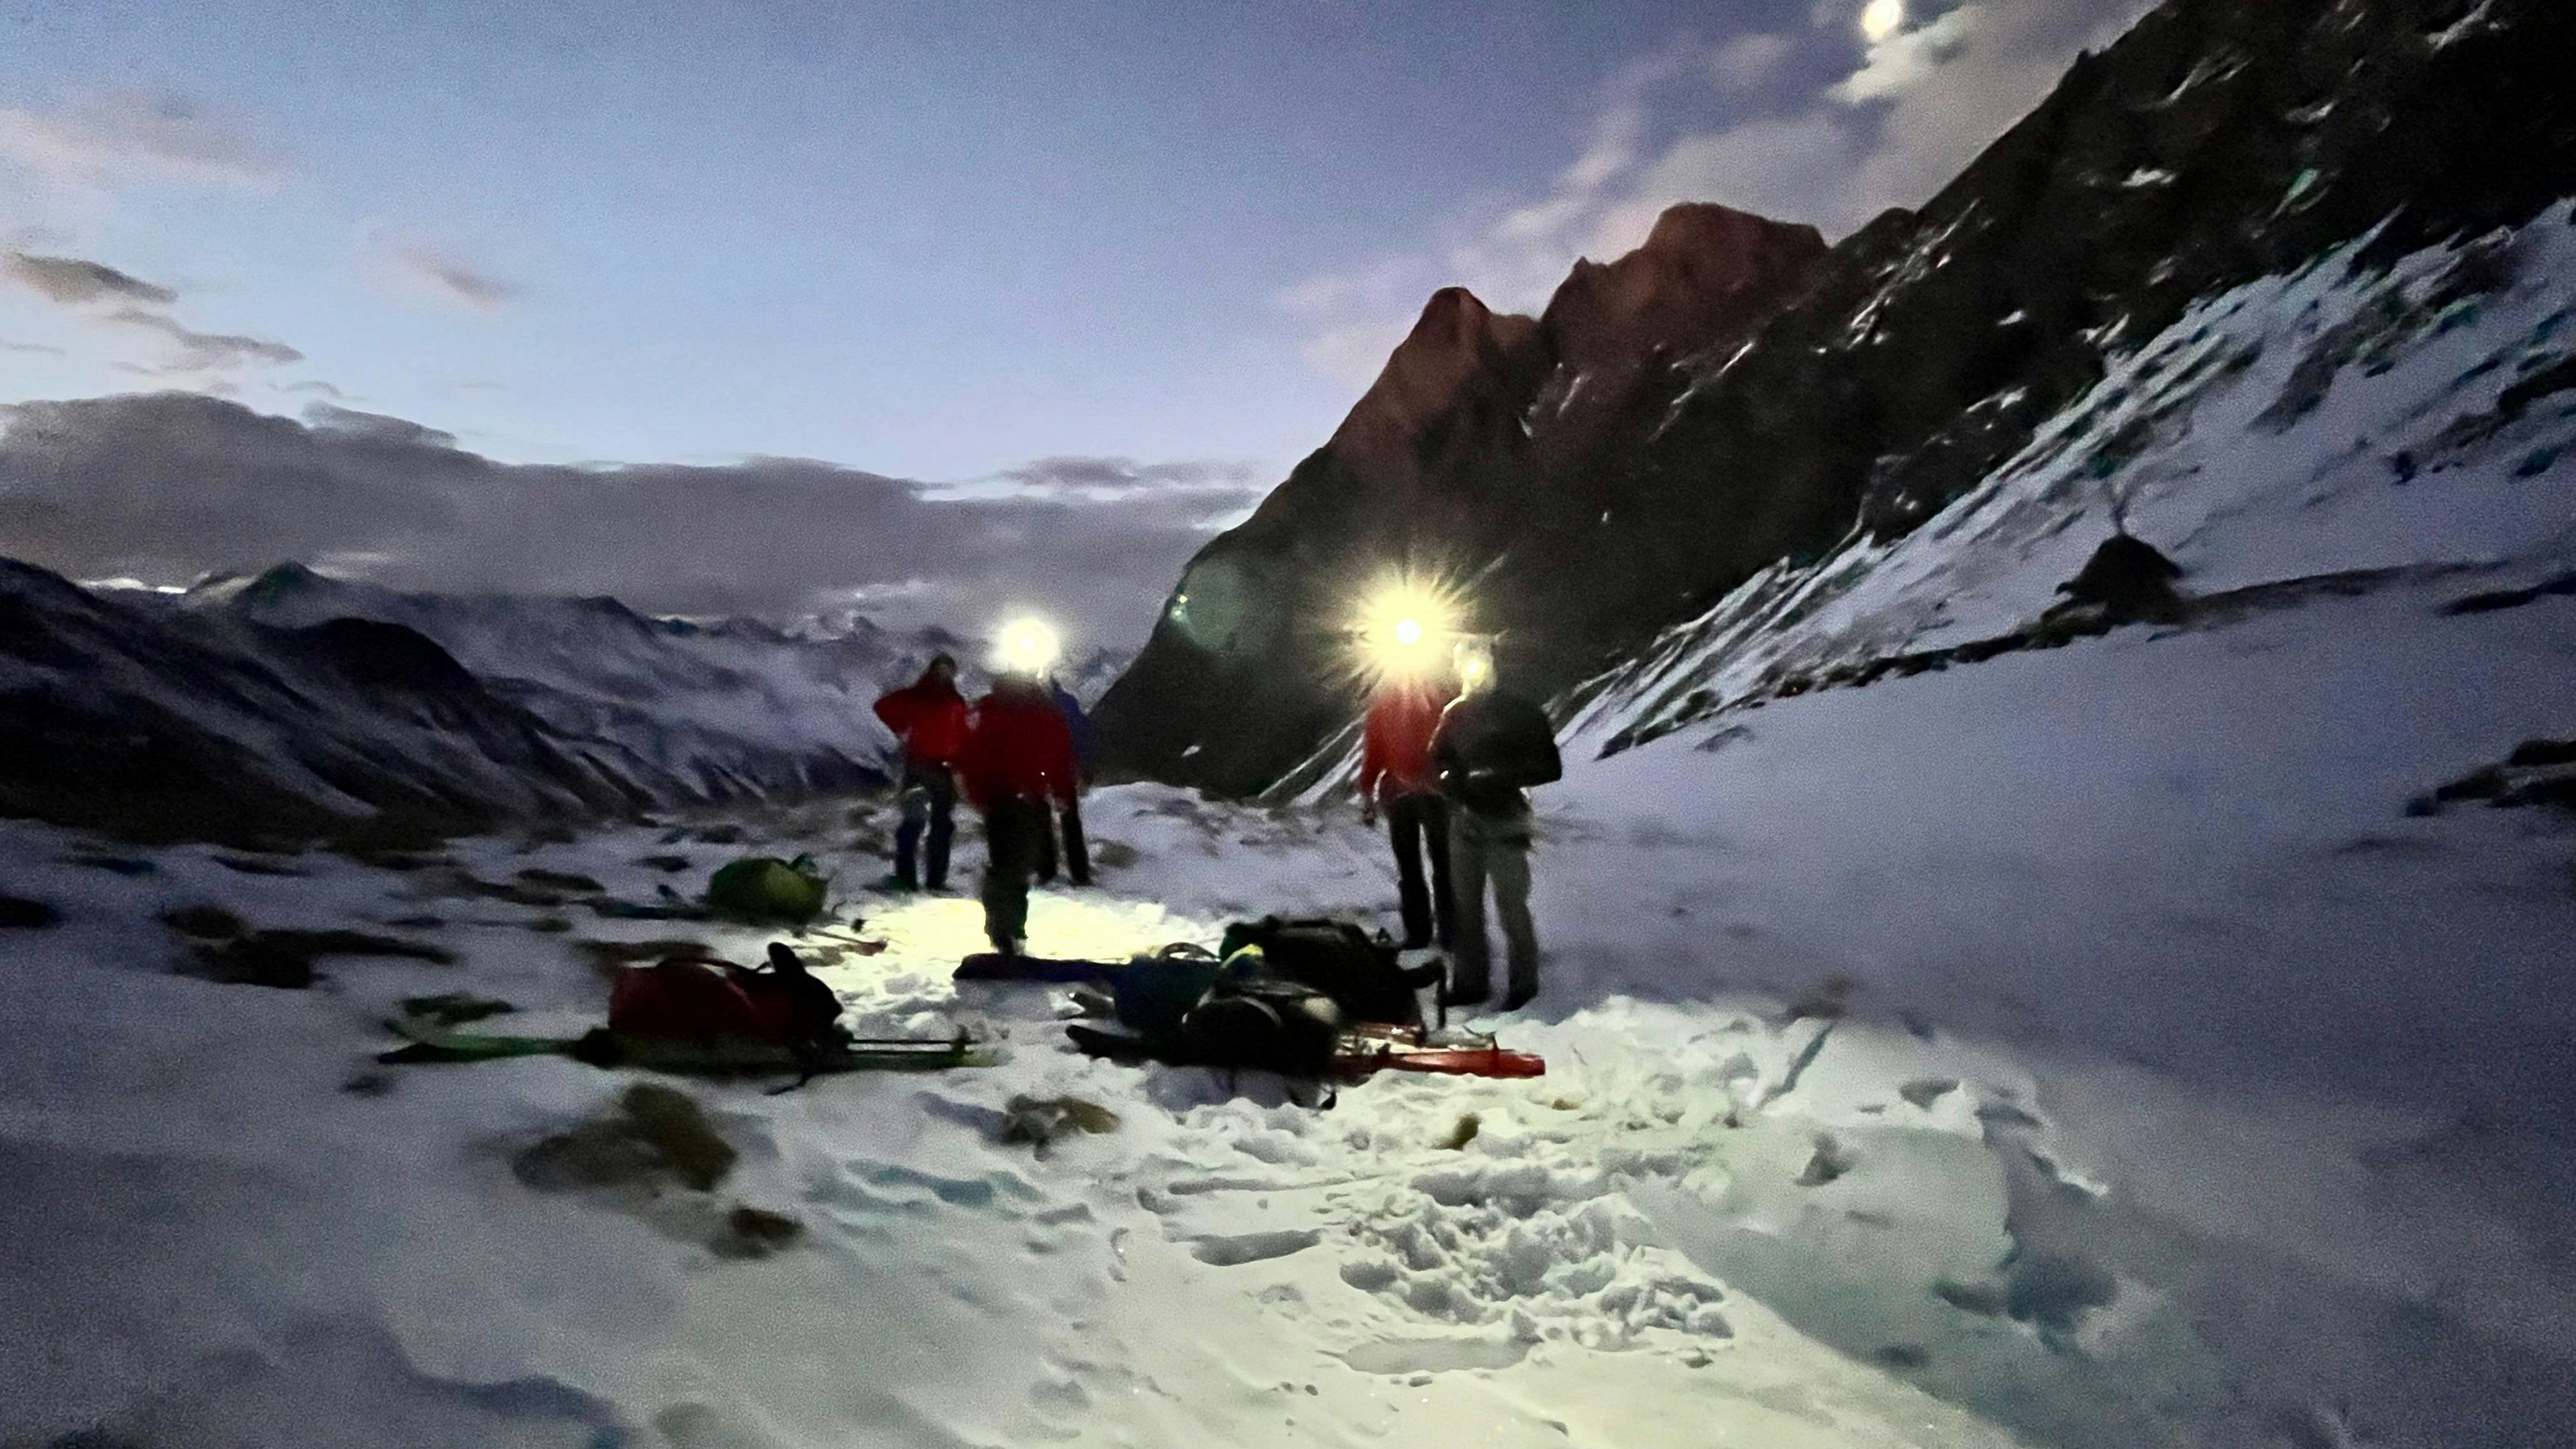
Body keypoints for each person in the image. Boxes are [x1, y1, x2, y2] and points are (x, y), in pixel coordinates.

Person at [1430, 639, 1561, 1011]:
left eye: (1480, 661)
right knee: (1465, 907)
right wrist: (1449, 779)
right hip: (1466, 819)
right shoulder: (1454, 714)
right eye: (1465, 662)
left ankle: (1524, 983)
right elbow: (1438, 757)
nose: (1474, 669)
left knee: (1511, 905)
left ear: (1493, 664)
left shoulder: (1521, 712)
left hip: (1507, 818)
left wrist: (1501, 775)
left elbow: (1551, 767)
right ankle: (1471, 982)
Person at [957, 670, 1080, 956]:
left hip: (1005, 800)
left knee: (1010, 866)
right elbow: (1059, 757)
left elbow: (969, 757)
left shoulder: (989, 712)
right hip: (1022, 799)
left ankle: (1006, 932)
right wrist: (1062, 793)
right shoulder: (1041, 715)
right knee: (1016, 867)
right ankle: (1008, 933)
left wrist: (978, 797)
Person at [1357, 666, 1458, 950]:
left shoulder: (1430, 704)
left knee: (1428, 865)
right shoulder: (1436, 703)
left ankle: (1428, 931)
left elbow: (1373, 757)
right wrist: (1367, 795)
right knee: (1432, 865)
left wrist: (1368, 796)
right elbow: (1374, 755)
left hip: (1415, 793)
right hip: (1419, 794)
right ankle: (1439, 931)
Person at [873, 653, 971, 891]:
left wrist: (901, 728)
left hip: (923, 768)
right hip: (934, 770)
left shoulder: (920, 696)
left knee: (921, 824)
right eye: (943, 669)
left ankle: (915, 879)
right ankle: (931, 881)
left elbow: (882, 706)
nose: (945, 674)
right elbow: (963, 738)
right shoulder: (952, 701)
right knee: (932, 825)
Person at [1033, 673, 1093, 888]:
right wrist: (1083, 769)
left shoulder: (1033, 705)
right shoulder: (1067, 703)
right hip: (1063, 768)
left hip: (1048, 768)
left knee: (1044, 820)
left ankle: (1047, 870)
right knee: (1069, 821)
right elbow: (1083, 735)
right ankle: (1079, 873)